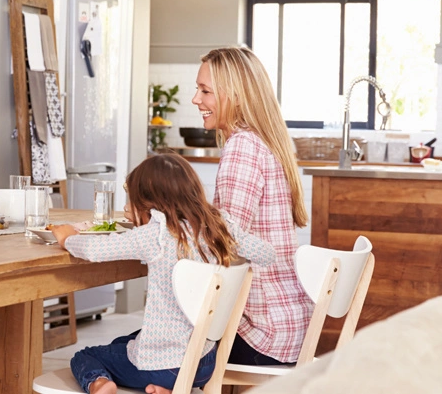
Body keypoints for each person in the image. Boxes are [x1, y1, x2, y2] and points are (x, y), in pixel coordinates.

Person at [51, 154, 275, 394]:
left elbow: (96, 250)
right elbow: (267, 253)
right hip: (204, 361)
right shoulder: (220, 225)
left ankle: (100, 384)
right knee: (122, 344)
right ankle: (166, 388)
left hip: (164, 364)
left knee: (87, 356)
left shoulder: (157, 235)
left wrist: (67, 237)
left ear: (149, 202)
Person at [192, 46, 313, 367]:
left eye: (205, 91)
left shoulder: (242, 148)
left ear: (235, 95)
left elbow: (226, 244)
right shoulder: (264, 141)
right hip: (288, 326)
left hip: (258, 332)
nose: (196, 100)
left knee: (131, 350)